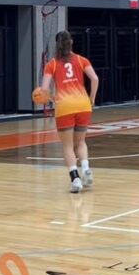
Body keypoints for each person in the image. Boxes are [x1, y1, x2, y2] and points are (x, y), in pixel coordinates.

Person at [40, 31, 99, 193]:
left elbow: (43, 90)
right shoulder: (81, 60)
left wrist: (53, 98)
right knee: (80, 142)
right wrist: (91, 99)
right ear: (71, 42)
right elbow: (95, 79)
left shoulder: (51, 64)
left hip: (64, 106)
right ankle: (86, 168)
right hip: (83, 104)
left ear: (56, 44)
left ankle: (76, 179)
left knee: (67, 146)